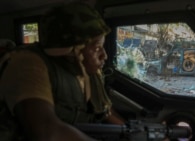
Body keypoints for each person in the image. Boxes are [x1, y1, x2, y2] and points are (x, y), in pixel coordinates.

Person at [0, 1, 124, 141]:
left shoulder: (87, 68)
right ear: (72, 50)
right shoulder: (28, 64)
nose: (104, 55)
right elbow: (46, 132)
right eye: (97, 48)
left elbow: (104, 110)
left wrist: (129, 131)